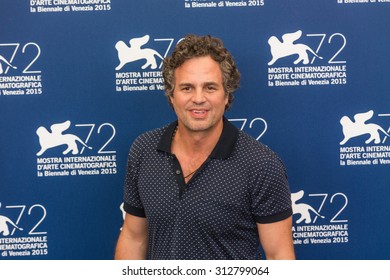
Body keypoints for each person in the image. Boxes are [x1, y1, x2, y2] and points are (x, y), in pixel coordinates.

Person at [115, 34, 295, 260]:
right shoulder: (144, 150)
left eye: (210, 87)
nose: (198, 98)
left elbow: (279, 256)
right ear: (171, 95)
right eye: (187, 88)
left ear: (226, 94)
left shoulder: (261, 164)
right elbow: (134, 238)